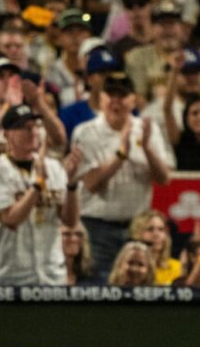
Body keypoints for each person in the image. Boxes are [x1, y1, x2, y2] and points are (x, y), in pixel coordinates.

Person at [70, 72, 173, 284]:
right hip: (97, 226)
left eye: (122, 95)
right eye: (111, 94)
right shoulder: (86, 132)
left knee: (140, 288)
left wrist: (146, 148)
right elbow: (91, 184)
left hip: (136, 226)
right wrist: (120, 155)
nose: (116, 101)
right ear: (101, 98)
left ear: (133, 99)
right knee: (99, 286)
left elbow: (164, 179)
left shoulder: (147, 129)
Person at [0, 104, 81, 285]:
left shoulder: (54, 168)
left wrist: (72, 183)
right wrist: (38, 185)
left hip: (51, 276)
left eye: (35, 126)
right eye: (23, 127)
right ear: (7, 134)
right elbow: (11, 219)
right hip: (9, 277)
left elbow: (70, 221)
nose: (32, 131)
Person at [130, 210, 181, 286]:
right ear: (137, 234)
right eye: (150, 229)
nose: (156, 234)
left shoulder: (177, 267)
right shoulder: (130, 268)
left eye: (161, 229)